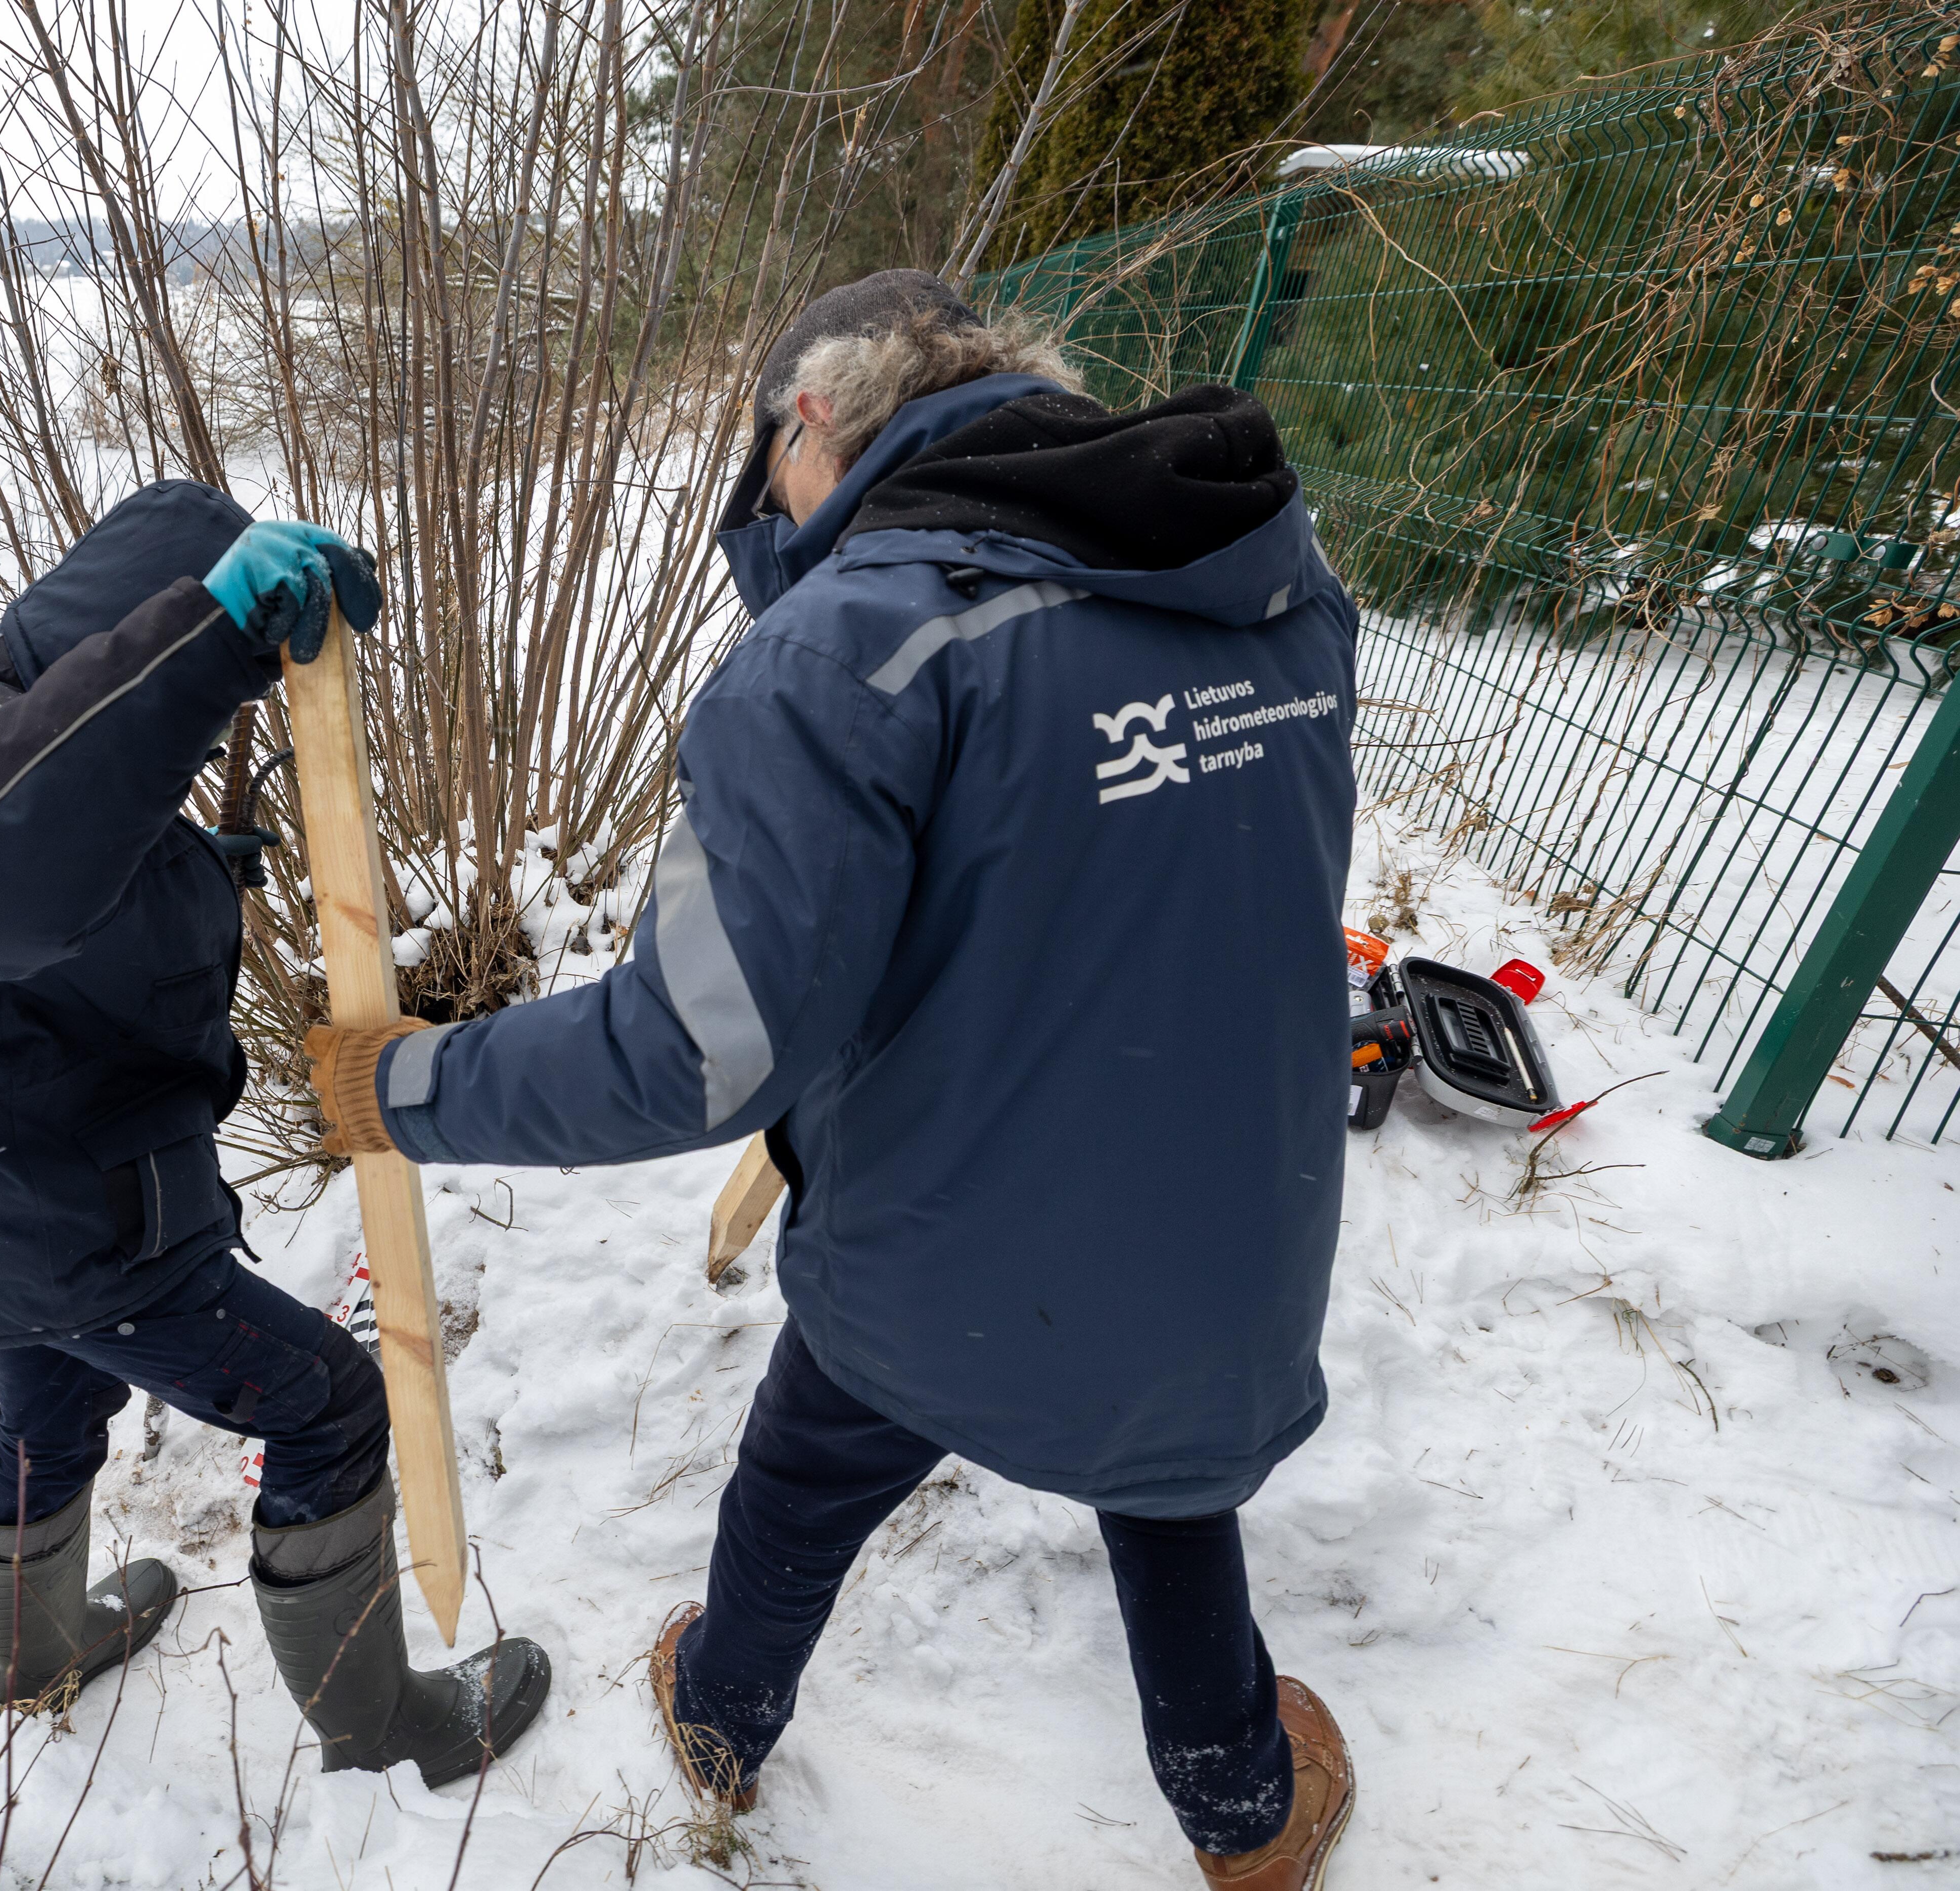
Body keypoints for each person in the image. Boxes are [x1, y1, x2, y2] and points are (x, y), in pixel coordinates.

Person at [304, 271, 1359, 1886]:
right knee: (1168, 1475)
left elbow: (692, 1049)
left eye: (765, 471)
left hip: (954, 1259)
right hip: (1237, 1245)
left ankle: (722, 1719)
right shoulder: (1265, 582)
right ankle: (1242, 1808)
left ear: (812, 423)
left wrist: (410, 1087)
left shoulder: (853, 654)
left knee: (809, 1467)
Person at [0, 480, 550, 1785]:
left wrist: (184, 867)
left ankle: (35, 1657)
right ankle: (380, 1729)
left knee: (52, 1402)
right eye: (219, 661)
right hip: (76, 1234)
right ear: (142, 622)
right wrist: (213, 640)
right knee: (327, 1404)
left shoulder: (26, 706)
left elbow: (65, 836)